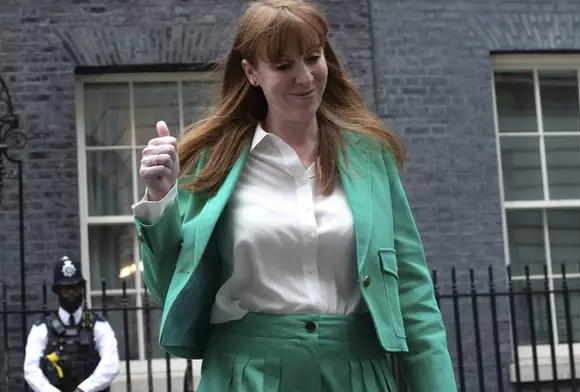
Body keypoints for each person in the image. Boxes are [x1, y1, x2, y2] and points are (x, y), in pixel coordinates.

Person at [132, 0, 457, 390]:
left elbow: (413, 295)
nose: (304, 77)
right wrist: (160, 197)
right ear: (252, 73)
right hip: (247, 376)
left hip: (355, 375)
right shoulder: (212, 162)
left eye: (312, 57)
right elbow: (170, 286)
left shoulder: (371, 158)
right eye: (284, 66)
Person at [23, 256, 120, 392]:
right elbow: (31, 369)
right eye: (66, 288)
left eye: (75, 287)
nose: (71, 292)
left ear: (82, 289)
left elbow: (111, 364)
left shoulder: (99, 325)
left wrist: (83, 389)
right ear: (57, 291)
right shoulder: (42, 328)